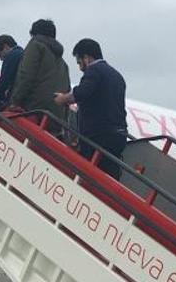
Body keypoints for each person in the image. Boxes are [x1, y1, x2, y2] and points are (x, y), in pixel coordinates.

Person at [53, 38, 128, 178]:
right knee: (109, 177)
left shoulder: (94, 71)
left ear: (86, 57)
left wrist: (64, 99)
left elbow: (82, 92)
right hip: (119, 135)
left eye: (79, 62)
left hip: (98, 136)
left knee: (89, 177)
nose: (80, 68)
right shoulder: (117, 76)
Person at [8, 19, 71, 124]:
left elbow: (25, 76)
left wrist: (14, 102)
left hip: (34, 112)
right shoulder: (64, 65)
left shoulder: (35, 46)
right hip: (54, 119)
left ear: (34, 34)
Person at [0, 34, 24, 109]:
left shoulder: (13, 56)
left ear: (6, 47)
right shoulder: (23, 55)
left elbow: (4, 81)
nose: (1, 59)